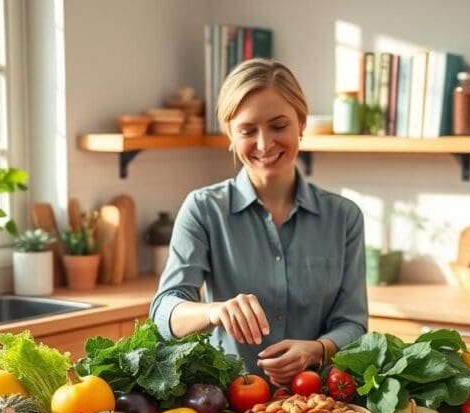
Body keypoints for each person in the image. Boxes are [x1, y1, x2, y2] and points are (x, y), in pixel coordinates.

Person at [149, 59, 368, 385]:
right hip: (228, 408)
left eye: (279, 126)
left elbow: (354, 323)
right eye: (248, 131)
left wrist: (317, 349)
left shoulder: (344, 217)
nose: (265, 144)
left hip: (319, 408)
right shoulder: (204, 209)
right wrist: (213, 311)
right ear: (230, 135)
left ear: (301, 123)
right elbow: (165, 311)